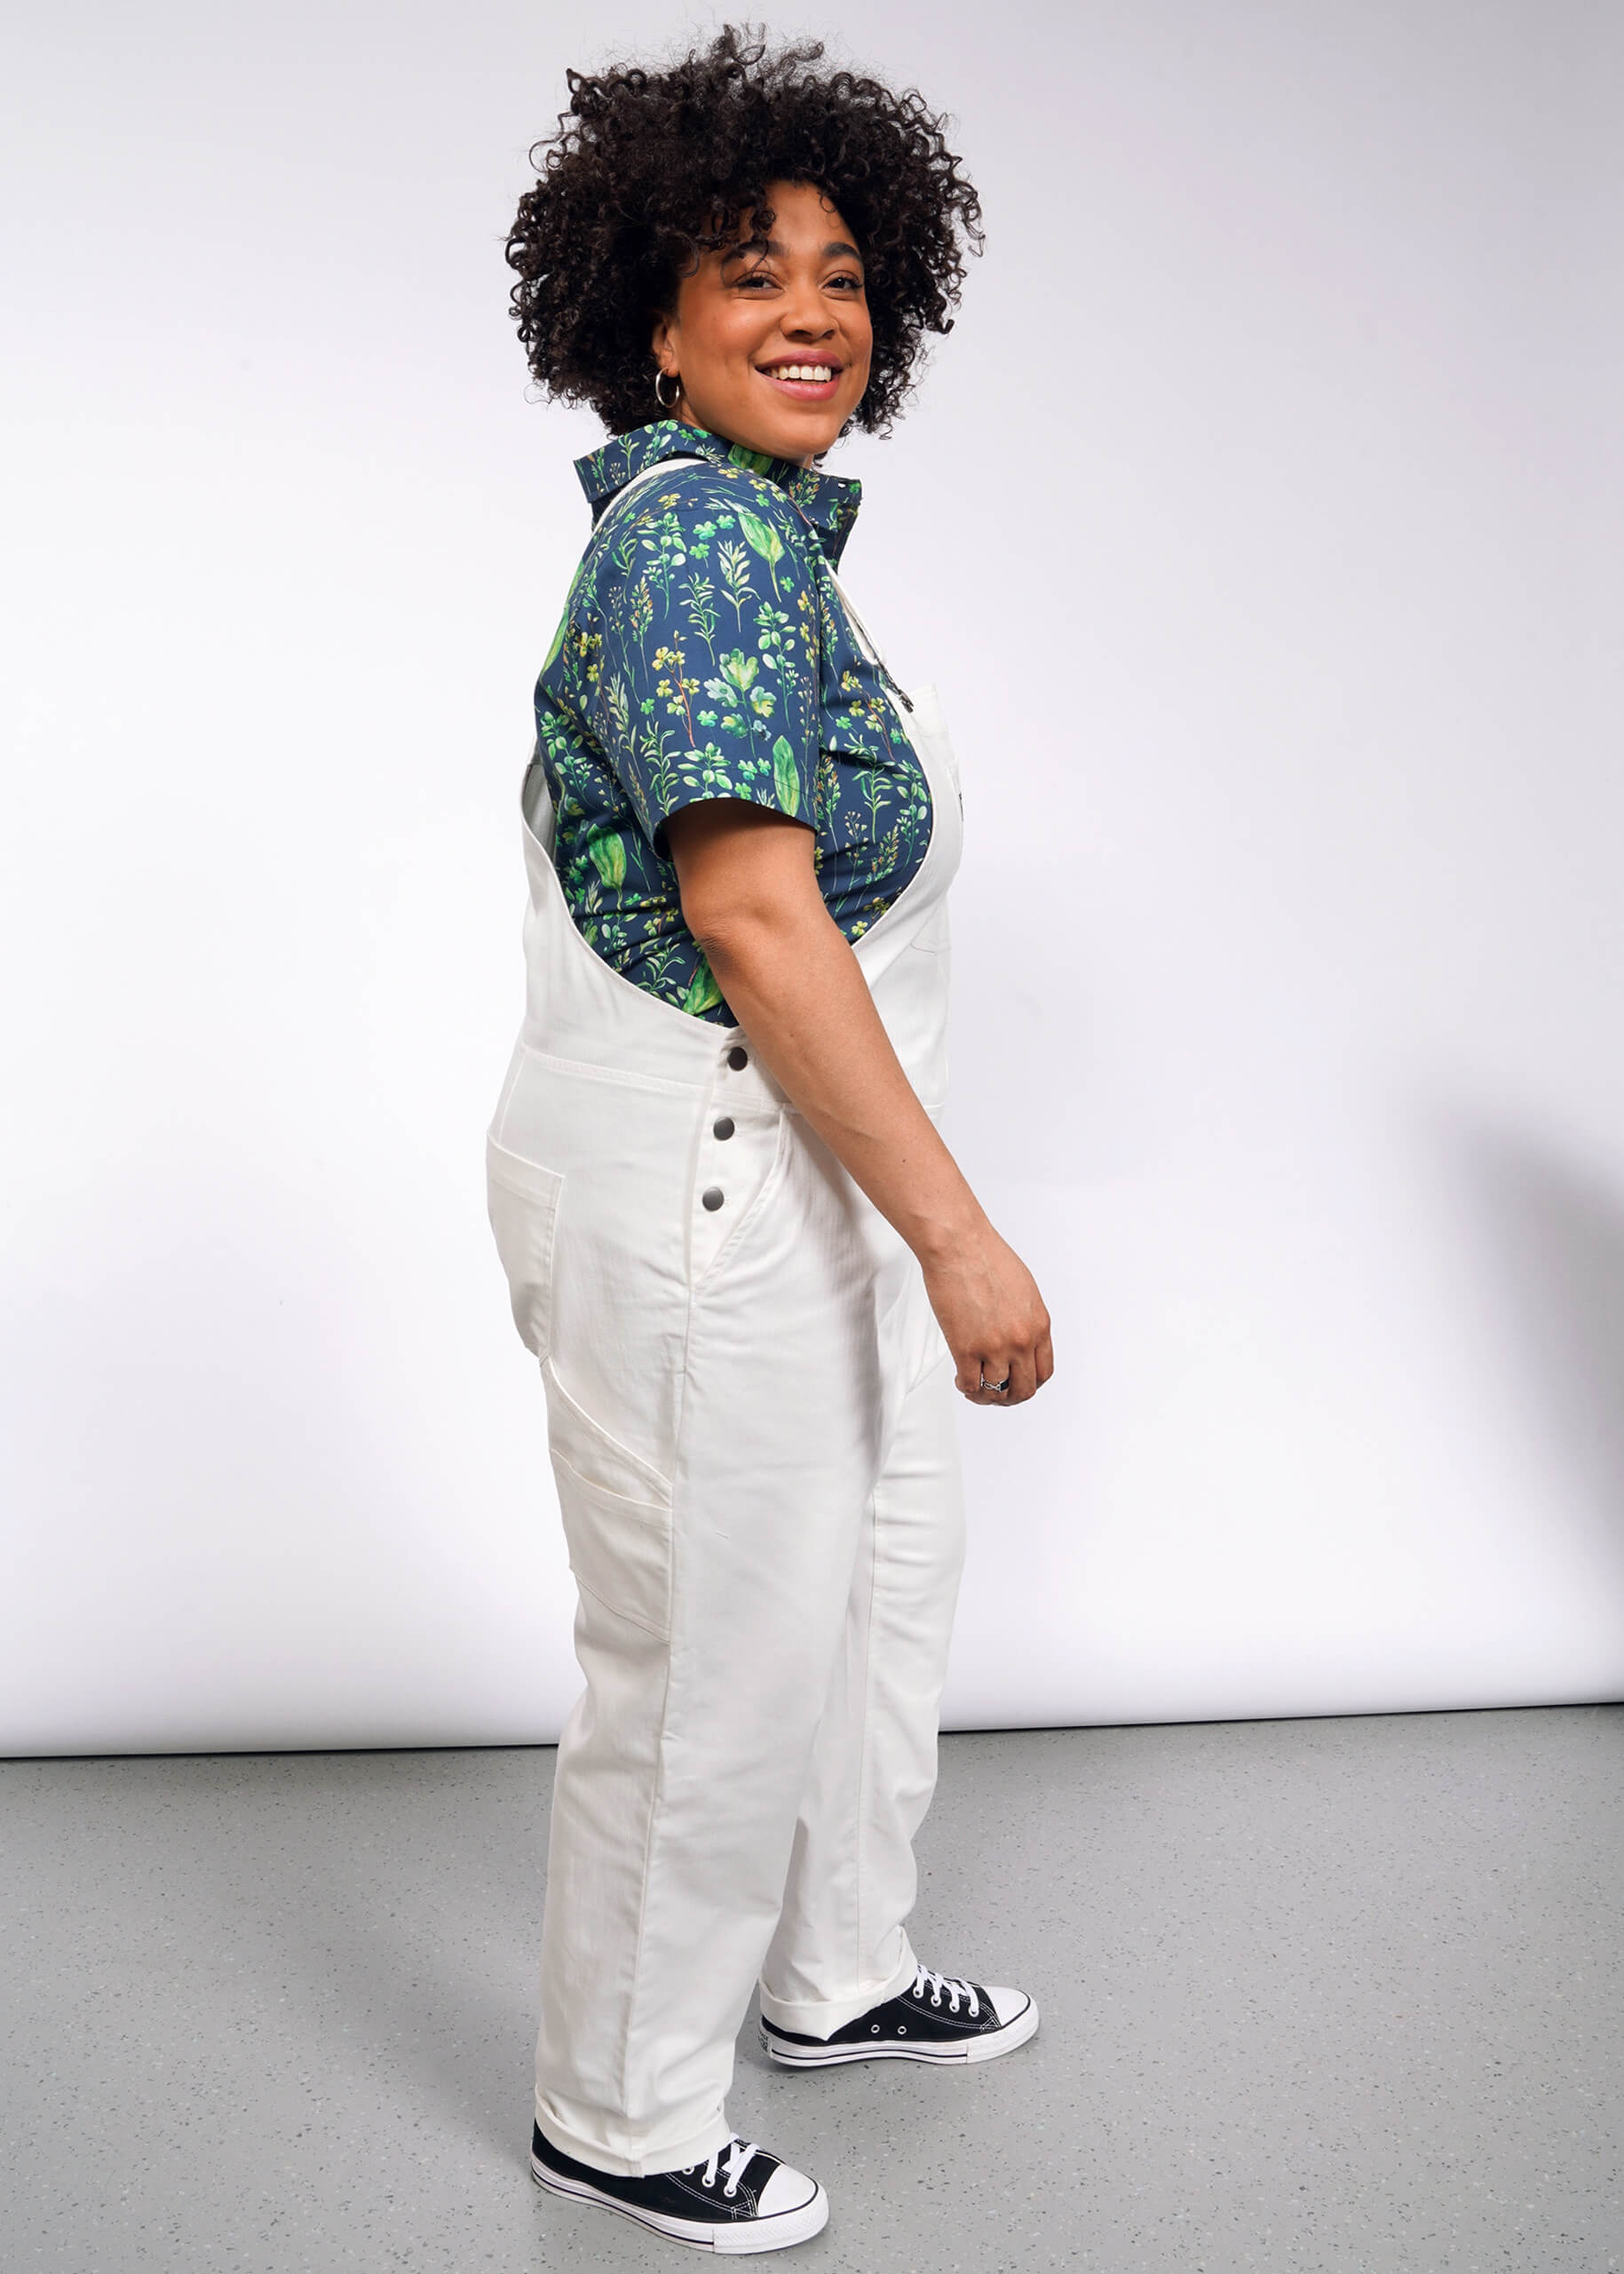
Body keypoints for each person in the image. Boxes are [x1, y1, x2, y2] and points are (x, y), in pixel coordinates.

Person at [487, 28, 1054, 2254]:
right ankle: (614, 2112)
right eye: (749, 273)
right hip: (705, 1178)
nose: (812, 309)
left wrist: (900, 1231)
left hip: (796, 1172)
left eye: (842, 270)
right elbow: (747, 906)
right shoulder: (704, 546)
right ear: (652, 320)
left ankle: (828, 1977)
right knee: (710, 1657)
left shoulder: (769, 543)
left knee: (876, 1586)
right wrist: (965, 1234)